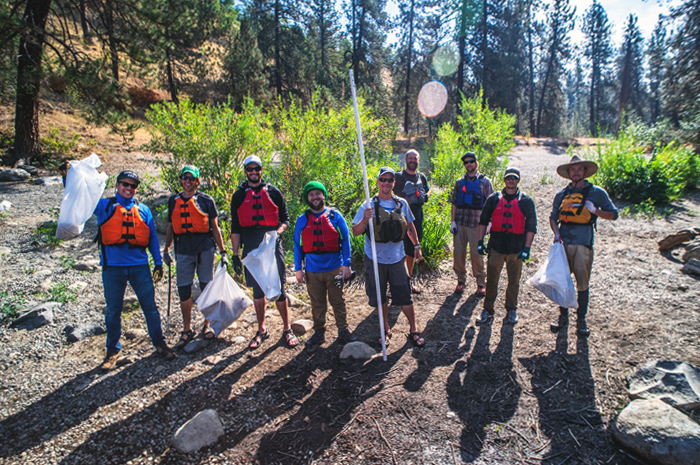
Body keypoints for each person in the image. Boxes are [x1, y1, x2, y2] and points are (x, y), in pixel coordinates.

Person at [94, 170, 175, 370]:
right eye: (125, 184)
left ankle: (159, 343)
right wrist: (66, 177)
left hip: (139, 266)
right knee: (113, 310)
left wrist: (157, 262)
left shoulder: (144, 210)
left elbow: (153, 239)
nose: (129, 188)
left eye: (133, 186)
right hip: (113, 268)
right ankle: (113, 351)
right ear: (117, 185)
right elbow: (80, 198)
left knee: (150, 307)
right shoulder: (104, 206)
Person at [229, 155, 298, 349]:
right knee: (258, 290)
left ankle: (287, 329)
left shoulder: (274, 193)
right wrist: (235, 255)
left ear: (261, 170)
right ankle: (261, 329)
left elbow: (285, 219)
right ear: (245, 171)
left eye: (256, 168)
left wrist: (277, 234)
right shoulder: (239, 196)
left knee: (278, 288)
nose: (253, 172)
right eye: (249, 169)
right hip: (251, 247)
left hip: (272, 245)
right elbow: (235, 228)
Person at [352, 167, 426, 347]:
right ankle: (385, 329)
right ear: (378, 182)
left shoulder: (401, 204)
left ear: (394, 183)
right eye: (383, 180)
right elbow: (355, 232)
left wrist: (416, 245)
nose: (386, 183)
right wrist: (364, 219)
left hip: (397, 258)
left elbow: (409, 226)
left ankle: (413, 329)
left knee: (405, 295)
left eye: (389, 180)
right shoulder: (367, 205)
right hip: (375, 259)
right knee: (380, 297)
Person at [549, 155, 619, 337]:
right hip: (563, 242)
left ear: (585, 171)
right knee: (562, 282)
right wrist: (556, 233)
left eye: (579, 169)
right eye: (573, 169)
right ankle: (563, 317)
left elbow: (614, 214)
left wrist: (595, 211)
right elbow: (553, 218)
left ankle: (581, 319)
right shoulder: (561, 194)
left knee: (582, 284)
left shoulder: (597, 193)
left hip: (583, 243)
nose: (576, 172)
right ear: (569, 173)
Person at [162, 165, 228, 349]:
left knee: (206, 286)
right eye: (185, 178)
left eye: (191, 178)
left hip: (205, 247)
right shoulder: (173, 201)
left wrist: (223, 252)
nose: (188, 181)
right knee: (184, 289)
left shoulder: (206, 200)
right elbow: (171, 227)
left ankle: (207, 324)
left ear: (197, 180)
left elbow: (215, 228)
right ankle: (187, 329)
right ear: (181, 179)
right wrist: (166, 249)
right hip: (183, 249)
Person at [293, 181, 357, 352]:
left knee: (338, 301)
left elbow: (345, 241)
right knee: (317, 303)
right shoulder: (302, 220)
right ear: (307, 198)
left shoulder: (335, 216)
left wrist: (347, 264)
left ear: (324, 196)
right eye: (311, 194)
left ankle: (343, 330)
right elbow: (298, 246)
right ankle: (319, 332)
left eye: (318, 194)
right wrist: (298, 269)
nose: (315, 197)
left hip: (334, 268)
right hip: (312, 271)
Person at [476, 168, 537, 326]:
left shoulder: (526, 201)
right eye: (508, 178)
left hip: (516, 248)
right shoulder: (493, 198)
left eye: (514, 178)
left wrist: (527, 249)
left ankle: (511, 309)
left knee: (514, 281)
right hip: (496, 246)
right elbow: (483, 221)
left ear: (518, 180)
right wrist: (480, 241)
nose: (511, 181)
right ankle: (487, 309)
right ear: (504, 180)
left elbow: (531, 226)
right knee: (492, 280)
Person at [450, 151, 494, 295]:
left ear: (476, 163)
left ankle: (481, 283)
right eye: (466, 162)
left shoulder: (485, 182)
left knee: (477, 255)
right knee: (458, 254)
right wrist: (452, 222)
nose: (468, 164)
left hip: (477, 225)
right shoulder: (459, 182)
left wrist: (490, 223)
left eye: (471, 161)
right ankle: (461, 280)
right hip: (461, 224)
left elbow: (491, 204)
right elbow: (455, 203)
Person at [393, 149, 430, 294]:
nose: (413, 160)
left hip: (416, 219)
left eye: (415, 158)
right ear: (406, 160)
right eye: (410, 158)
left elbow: (426, 193)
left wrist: (425, 196)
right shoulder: (398, 176)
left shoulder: (422, 177)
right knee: (397, 252)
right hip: (398, 219)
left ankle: (406, 282)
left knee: (411, 251)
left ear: (418, 160)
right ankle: (395, 286)